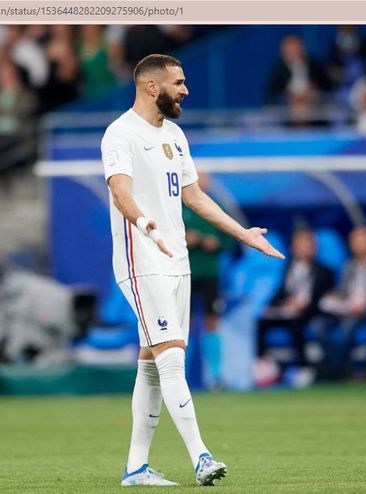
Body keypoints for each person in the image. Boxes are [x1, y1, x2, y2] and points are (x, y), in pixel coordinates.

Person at [101, 54, 284, 487]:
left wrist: (243, 233)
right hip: (141, 262)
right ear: (152, 87)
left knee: (151, 362)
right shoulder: (120, 134)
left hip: (176, 262)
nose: (185, 90)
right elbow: (120, 192)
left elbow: (195, 197)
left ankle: (136, 468)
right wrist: (145, 224)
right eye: (178, 83)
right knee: (172, 358)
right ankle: (201, 456)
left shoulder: (176, 134)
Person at [315, 226, 366, 379]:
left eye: (364, 241)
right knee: (319, 326)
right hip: (347, 309)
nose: (361, 245)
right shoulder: (348, 267)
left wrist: (363, 307)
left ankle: (339, 371)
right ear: (351, 245)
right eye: (357, 242)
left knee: (348, 327)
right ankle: (330, 366)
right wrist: (334, 297)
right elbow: (343, 292)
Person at [181, 172, 236, 389]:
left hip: (210, 274)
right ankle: (180, 376)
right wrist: (183, 239)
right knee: (184, 323)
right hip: (185, 273)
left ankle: (215, 376)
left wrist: (218, 244)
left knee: (211, 321)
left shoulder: (217, 206)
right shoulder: (177, 206)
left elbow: (231, 238)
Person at [256, 227, 334, 371]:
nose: (304, 249)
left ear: (314, 248)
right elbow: (282, 291)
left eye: (307, 245)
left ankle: (304, 366)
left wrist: (303, 305)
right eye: (300, 245)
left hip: (311, 312)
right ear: (293, 248)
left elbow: (323, 298)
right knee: (262, 322)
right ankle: (262, 364)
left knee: (296, 323)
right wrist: (271, 305)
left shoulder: (324, 271)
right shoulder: (289, 268)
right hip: (288, 310)